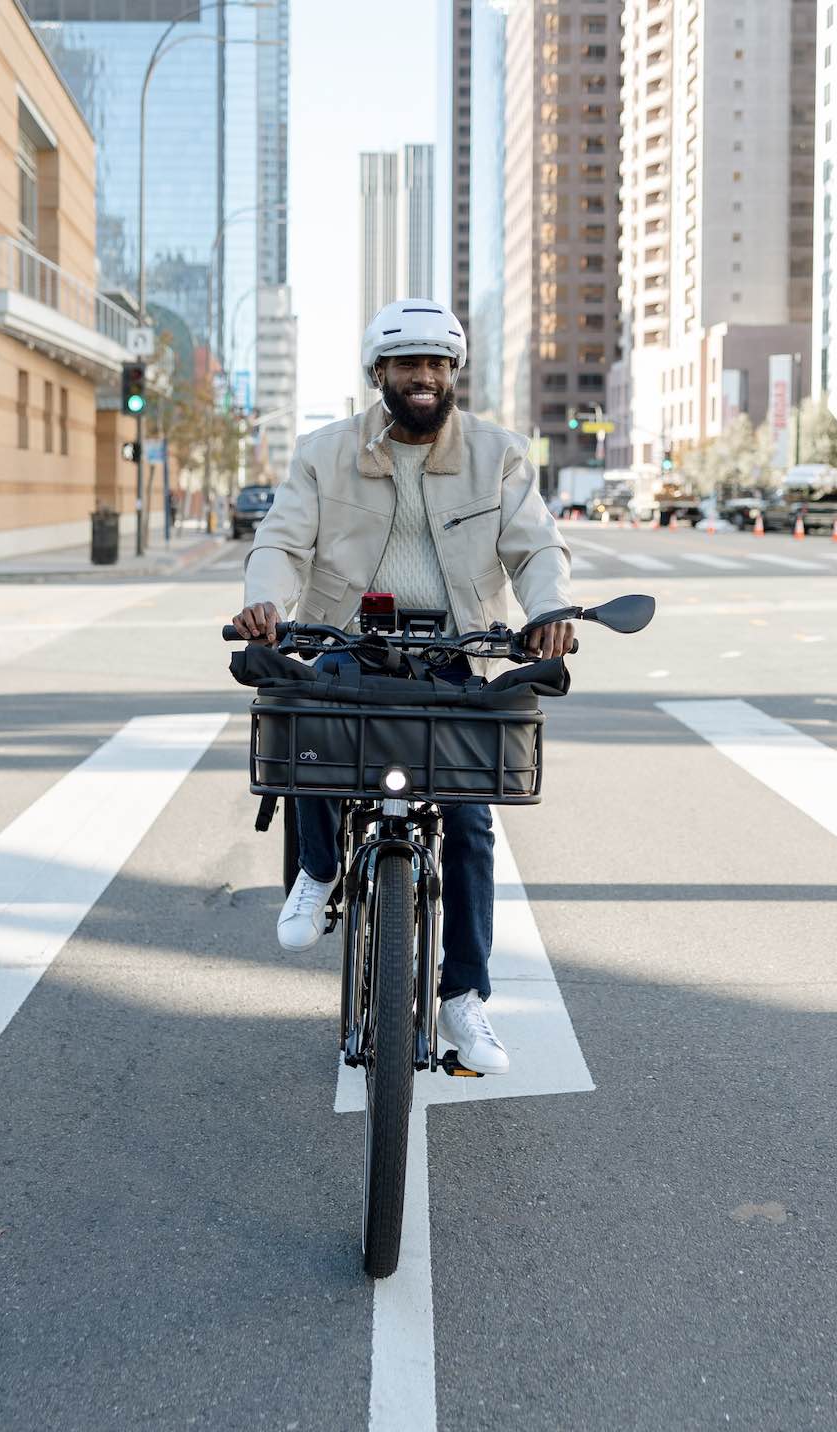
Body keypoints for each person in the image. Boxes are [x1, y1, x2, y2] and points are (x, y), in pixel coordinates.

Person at [228, 299, 574, 1075]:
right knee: (311, 720)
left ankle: (463, 997)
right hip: (349, 641)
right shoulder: (324, 452)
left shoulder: (500, 453)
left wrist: (548, 612)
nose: (424, 378)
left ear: (452, 374)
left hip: (454, 654)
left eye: (437, 365)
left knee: (472, 820)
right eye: (408, 364)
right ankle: (318, 870)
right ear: (378, 373)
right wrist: (266, 603)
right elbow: (282, 540)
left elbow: (535, 548)